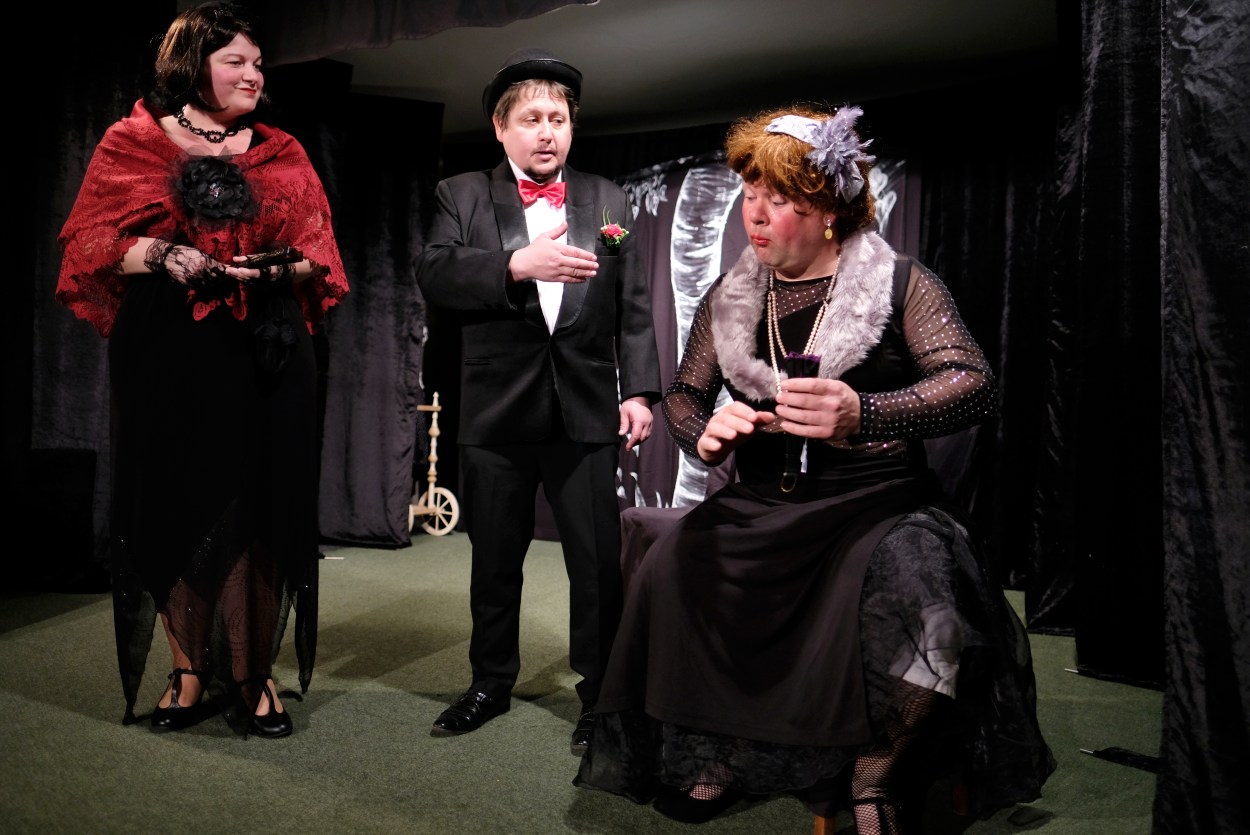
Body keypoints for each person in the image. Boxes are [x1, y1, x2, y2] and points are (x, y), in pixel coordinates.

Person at [574, 104, 1056, 830]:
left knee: (933, 608)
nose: (755, 214)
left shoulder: (899, 283)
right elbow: (684, 396)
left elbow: (972, 382)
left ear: (829, 208)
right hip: (764, 502)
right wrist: (706, 432)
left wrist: (865, 411)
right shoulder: (732, 296)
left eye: (779, 199)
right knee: (673, 569)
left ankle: (876, 769)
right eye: (749, 194)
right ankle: (720, 750)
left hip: (878, 503)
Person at [56, 1, 349, 738]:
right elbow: (89, 243)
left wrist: (272, 267)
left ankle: (254, 674)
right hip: (168, 347)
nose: (254, 75)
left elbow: (320, 252)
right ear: (192, 65)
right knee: (171, 498)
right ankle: (188, 671)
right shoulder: (131, 141)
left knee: (260, 506)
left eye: (258, 63)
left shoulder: (282, 149)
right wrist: (164, 254)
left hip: (266, 345)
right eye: (235, 62)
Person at [413, 48, 661, 756]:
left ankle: (601, 694)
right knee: (495, 558)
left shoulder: (608, 198)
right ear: (501, 127)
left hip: (585, 404)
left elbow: (633, 304)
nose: (547, 131)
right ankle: (490, 681)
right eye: (531, 118)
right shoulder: (461, 193)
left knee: (596, 562)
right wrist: (517, 263)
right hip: (495, 405)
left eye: (559, 119)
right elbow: (434, 270)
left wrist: (641, 391)